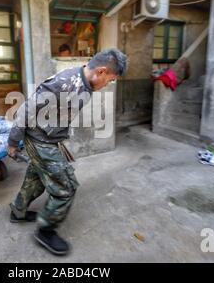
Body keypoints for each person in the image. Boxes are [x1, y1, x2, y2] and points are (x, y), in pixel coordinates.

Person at [7, 48, 128, 255]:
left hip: (49, 139)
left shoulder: (86, 84)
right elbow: (26, 111)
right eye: (110, 79)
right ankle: (45, 231)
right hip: (39, 140)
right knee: (66, 187)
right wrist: (12, 142)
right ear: (101, 71)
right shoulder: (63, 83)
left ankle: (18, 211)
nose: (108, 84)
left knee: (36, 177)